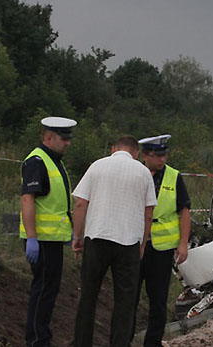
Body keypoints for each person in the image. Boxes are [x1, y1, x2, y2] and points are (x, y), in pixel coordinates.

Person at [71, 135, 157, 347]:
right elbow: (148, 213)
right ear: (136, 152)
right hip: (128, 244)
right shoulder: (143, 172)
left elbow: (81, 204)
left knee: (88, 296)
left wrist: (77, 236)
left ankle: (82, 343)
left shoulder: (97, 166)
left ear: (113, 149)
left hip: (97, 238)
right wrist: (143, 244)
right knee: (125, 302)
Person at [20, 116, 77, 347]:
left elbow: (54, 202)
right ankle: (36, 340)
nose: (68, 143)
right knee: (43, 290)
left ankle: (41, 336)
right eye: (63, 138)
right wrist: (32, 237)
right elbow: (27, 198)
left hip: (51, 238)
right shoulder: (37, 161)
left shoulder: (55, 161)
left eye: (68, 139)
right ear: (48, 137)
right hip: (41, 239)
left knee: (49, 290)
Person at [132, 134, 191, 346]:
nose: (163, 159)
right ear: (145, 156)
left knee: (158, 300)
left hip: (162, 250)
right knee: (129, 298)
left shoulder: (174, 177)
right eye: (158, 156)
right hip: (134, 245)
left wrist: (183, 243)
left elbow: (184, 211)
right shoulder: (133, 174)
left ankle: (153, 343)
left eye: (165, 155)